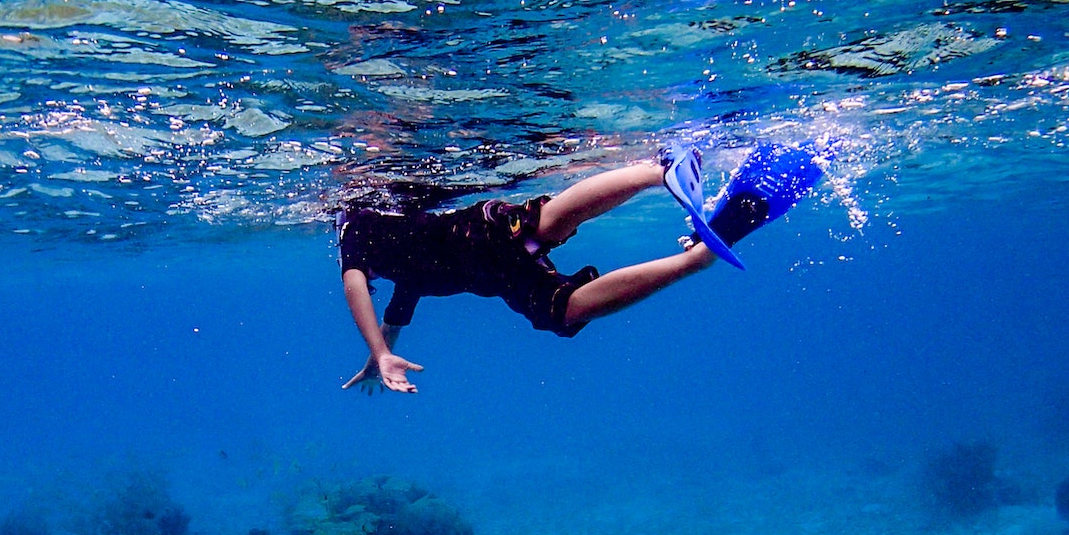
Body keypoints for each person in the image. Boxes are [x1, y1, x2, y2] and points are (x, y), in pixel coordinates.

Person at [339, 142, 824, 393]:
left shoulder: (354, 225)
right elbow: (394, 315)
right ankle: (698, 255)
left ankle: (662, 170)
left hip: (470, 235)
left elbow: (354, 285)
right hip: (491, 271)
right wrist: (379, 354)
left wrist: (379, 353)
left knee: (540, 225)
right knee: (562, 311)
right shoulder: (404, 274)